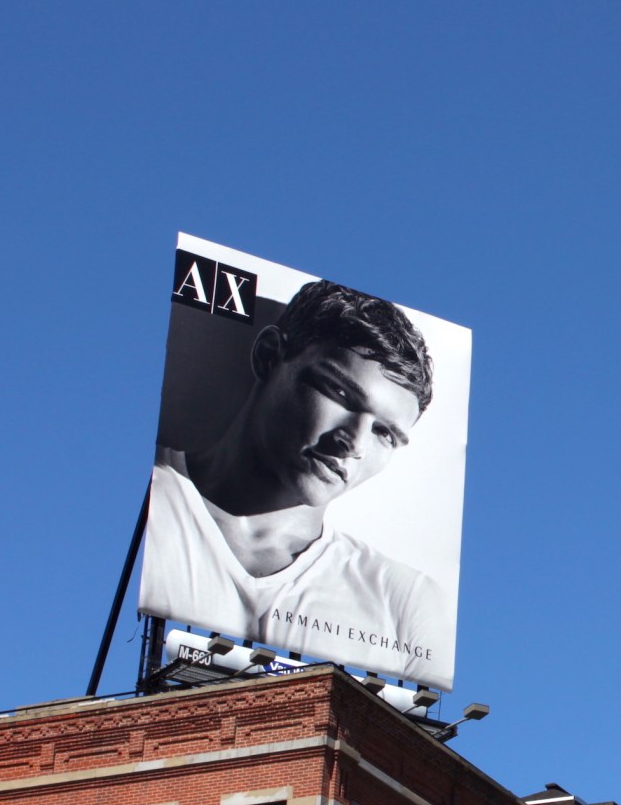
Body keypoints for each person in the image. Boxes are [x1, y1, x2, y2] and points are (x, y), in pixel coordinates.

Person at [139, 280, 451, 686]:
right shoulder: (147, 498)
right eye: (340, 392)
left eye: (385, 433)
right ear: (269, 356)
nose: (355, 444)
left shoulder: (406, 601)